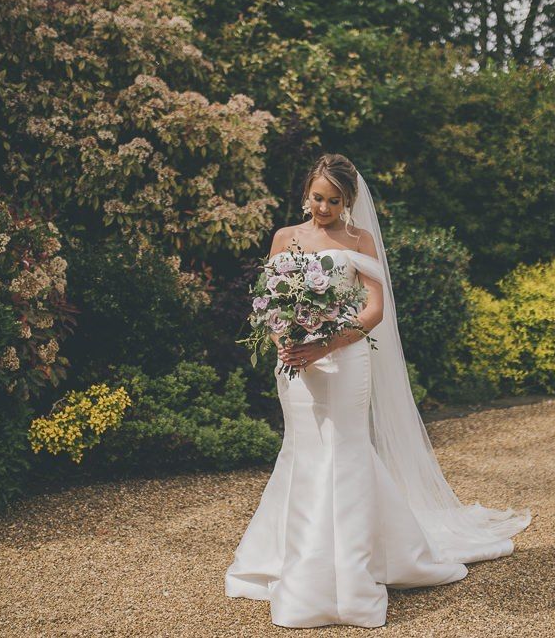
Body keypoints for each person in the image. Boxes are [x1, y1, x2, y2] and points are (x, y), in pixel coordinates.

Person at [224, 153, 532, 629]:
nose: (323, 208)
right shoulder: (285, 238)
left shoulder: (359, 239)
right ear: (306, 192)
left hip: (345, 360)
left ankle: (351, 571)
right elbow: (270, 299)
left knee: (346, 451)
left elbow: (373, 310)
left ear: (348, 201)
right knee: (304, 452)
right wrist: (287, 339)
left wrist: (326, 340)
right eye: (317, 197)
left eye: (334, 200)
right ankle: (296, 558)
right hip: (296, 366)